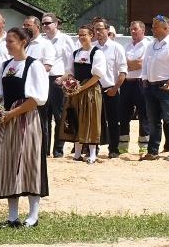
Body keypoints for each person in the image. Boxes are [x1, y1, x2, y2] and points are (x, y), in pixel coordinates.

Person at [0, 26, 49, 227]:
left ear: (23, 42)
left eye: (10, 41)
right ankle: (12, 216)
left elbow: (36, 100)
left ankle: (33, 215)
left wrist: (10, 114)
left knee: (29, 163)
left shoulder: (34, 66)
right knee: (8, 163)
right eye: (6, 41)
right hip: (7, 120)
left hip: (26, 120)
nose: (7, 45)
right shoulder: (6, 65)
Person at [140, 15, 169, 161]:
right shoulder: (151, 44)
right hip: (151, 86)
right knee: (153, 121)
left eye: (155, 26)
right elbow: (146, 64)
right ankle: (152, 151)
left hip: (167, 87)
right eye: (152, 26)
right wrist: (145, 80)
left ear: (166, 28)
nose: (152, 29)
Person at [59, 24, 105, 164]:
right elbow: (70, 72)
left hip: (91, 90)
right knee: (75, 118)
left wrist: (82, 87)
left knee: (90, 119)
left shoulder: (97, 53)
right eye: (79, 35)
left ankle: (92, 154)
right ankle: (77, 153)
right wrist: (68, 82)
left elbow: (97, 76)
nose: (81, 37)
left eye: (84, 34)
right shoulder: (75, 53)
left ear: (91, 35)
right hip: (77, 89)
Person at [38, 13, 72, 158]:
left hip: (58, 80)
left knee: (59, 117)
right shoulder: (41, 41)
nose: (45, 26)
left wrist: (64, 78)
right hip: (43, 80)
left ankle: (58, 149)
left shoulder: (65, 40)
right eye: (43, 24)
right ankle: (44, 150)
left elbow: (70, 61)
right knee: (44, 117)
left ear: (56, 24)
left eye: (48, 23)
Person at [92, 18, 127, 158]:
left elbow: (123, 71)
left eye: (101, 28)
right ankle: (93, 148)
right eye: (96, 29)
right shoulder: (92, 48)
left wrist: (116, 88)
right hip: (94, 89)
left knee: (113, 121)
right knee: (94, 121)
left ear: (107, 30)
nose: (98, 31)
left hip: (110, 89)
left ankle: (114, 149)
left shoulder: (116, 47)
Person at [120, 20, 151, 155]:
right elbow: (121, 64)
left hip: (140, 82)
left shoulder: (147, 45)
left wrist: (127, 64)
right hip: (126, 82)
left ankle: (144, 145)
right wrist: (129, 64)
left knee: (143, 114)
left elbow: (140, 64)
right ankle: (123, 144)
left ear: (143, 30)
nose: (132, 31)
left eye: (135, 29)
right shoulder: (127, 46)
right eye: (131, 29)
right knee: (123, 115)